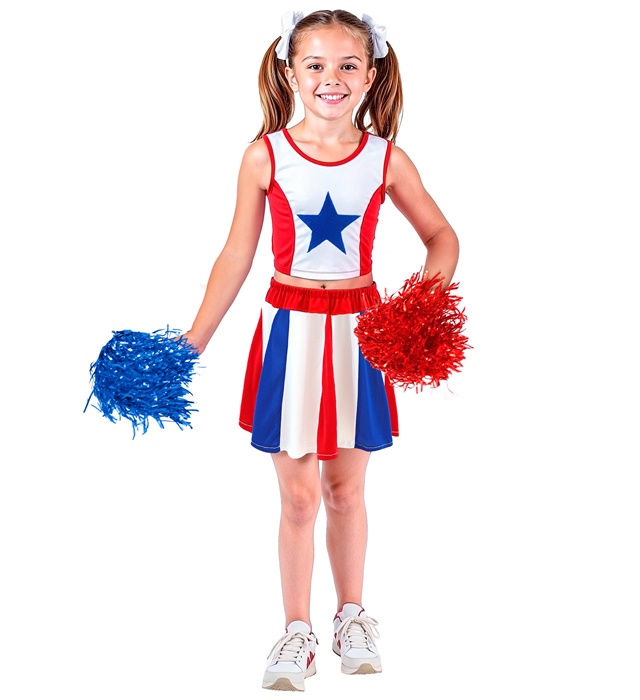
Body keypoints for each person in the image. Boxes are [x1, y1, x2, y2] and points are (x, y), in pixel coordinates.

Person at [182, 9, 459, 692]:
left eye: (347, 65)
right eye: (315, 65)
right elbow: (236, 255)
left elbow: (442, 238)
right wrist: (194, 340)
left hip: (362, 332)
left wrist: (414, 312)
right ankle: (296, 631)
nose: (331, 78)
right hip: (289, 330)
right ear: (289, 72)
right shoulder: (264, 155)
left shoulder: (385, 158)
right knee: (299, 498)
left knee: (345, 490)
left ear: (370, 75)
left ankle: (352, 617)